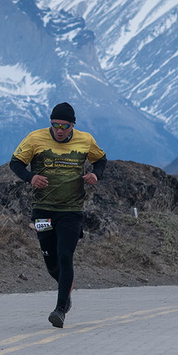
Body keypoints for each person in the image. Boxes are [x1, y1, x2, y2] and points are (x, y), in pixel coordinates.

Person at [9, 102, 107, 328]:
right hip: (43, 211)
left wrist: (95, 174)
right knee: (51, 262)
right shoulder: (35, 138)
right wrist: (31, 178)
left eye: (64, 126)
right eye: (55, 125)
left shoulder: (86, 140)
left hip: (71, 211)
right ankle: (67, 289)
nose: (59, 130)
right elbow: (15, 163)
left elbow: (101, 160)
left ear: (73, 125)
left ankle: (60, 309)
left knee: (65, 255)